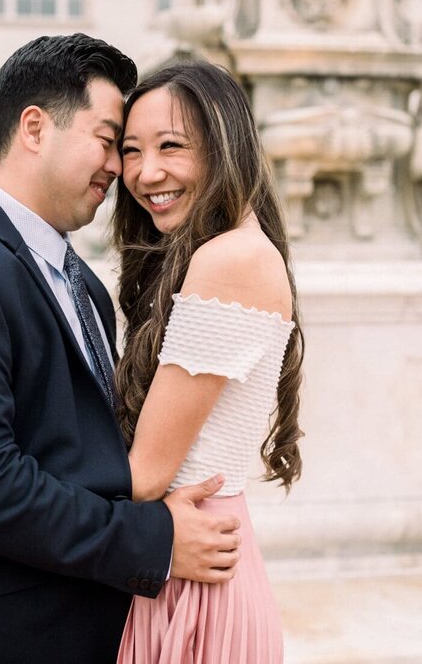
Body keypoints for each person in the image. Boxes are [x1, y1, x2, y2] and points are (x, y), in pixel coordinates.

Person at [0, 34, 244, 664]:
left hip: (91, 624)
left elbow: (83, 451)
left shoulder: (83, 283)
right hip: (1, 635)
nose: (121, 168)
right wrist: (153, 540)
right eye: (110, 140)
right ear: (34, 128)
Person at [113, 61, 305, 663]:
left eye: (172, 147)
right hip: (184, 546)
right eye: (131, 151)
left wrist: (9, 486)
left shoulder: (231, 259)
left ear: (225, 148)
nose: (147, 173)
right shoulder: (226, 252)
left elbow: (144, 475)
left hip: (193, 563)